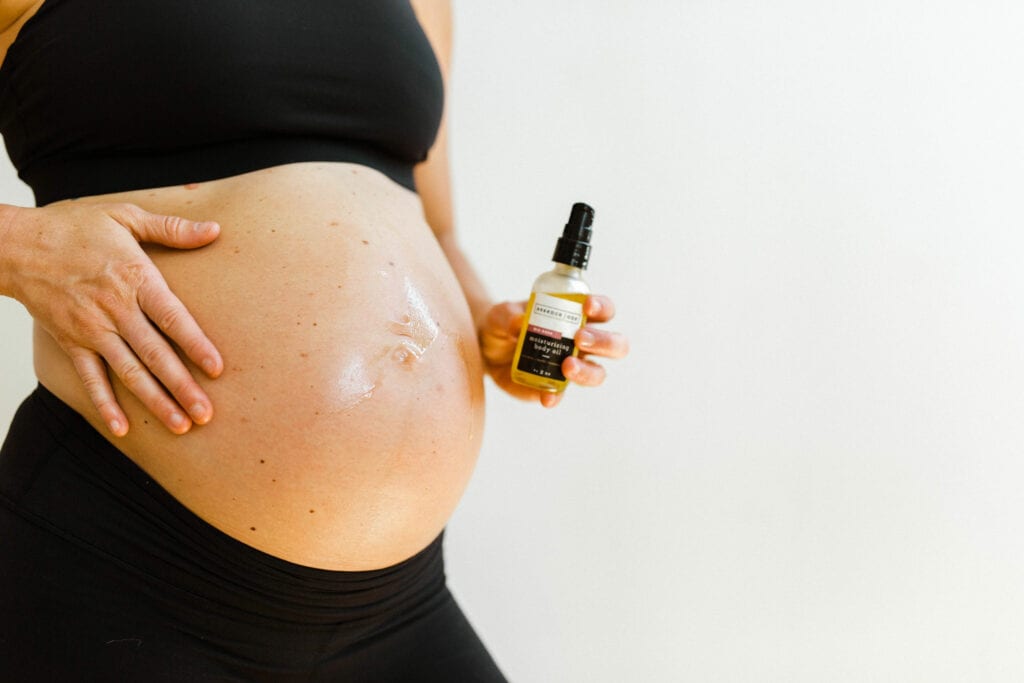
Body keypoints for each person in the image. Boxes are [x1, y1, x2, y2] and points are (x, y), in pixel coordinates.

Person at [0, 0, 628, 680]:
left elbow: (438, 227)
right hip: (131, 572)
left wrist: (487, 323)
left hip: (398, 609)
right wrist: (23, 248)